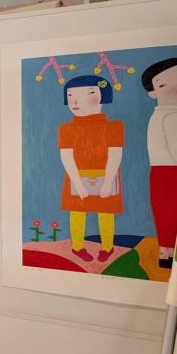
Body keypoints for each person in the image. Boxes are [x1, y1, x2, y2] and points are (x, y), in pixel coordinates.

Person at [141, 58, 177, 268]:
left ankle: (170, 254)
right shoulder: (172, 116)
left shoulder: (174, 114)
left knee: (171, 213)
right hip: (174, 173)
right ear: (153, 93)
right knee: (175, 213)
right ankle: (174, 255)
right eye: (167, 83)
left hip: (171, 173)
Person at [58, 75, 124, 263]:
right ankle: (77, 247)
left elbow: (115, 155)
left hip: (107, 175)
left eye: (88, 93)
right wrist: (78, 183)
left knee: (106, 213)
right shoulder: (66, 128)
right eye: (70, 95)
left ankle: (107, 248)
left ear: (103, 96)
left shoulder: (114, 126)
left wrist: (108, 182)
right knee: (77, 213)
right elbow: (67, 158)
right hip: (76, 177)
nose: (75, 101)